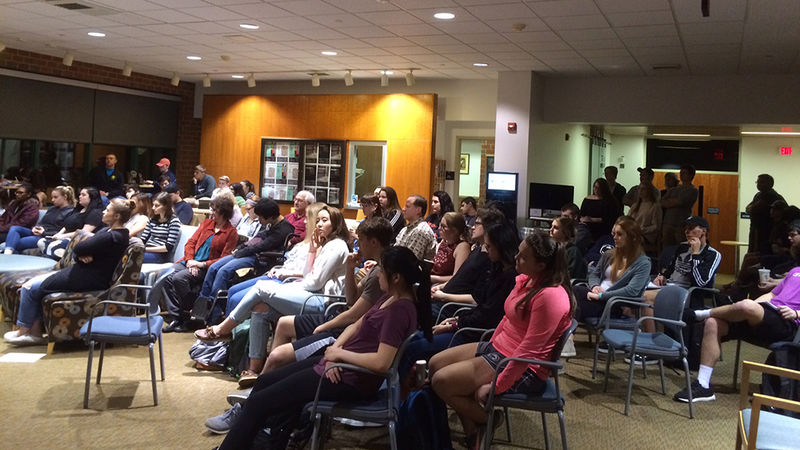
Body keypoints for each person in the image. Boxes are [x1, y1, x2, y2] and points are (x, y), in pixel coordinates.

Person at [205, 246, 432, 448]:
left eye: (382, 270)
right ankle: (263, 440)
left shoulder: (399, 311)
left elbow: (381, 363)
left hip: (352, 378)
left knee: (259, 402)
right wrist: (335, 353)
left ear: (396, 277)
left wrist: (339, 355)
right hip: (339, 365)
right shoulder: (389, 298)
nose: (377, 274)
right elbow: (356, 325)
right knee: (265, 382)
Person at [429, 233, 574, 448]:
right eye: (519, 252)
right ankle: (475, 429)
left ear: (541, 265)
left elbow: (528, 351)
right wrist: (487, 349)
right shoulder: (526, 280)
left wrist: (497, 385)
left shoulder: (551, 296)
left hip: (526, 368)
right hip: (501, 349)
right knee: (434, 364)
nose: (516, 257)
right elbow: (507, 319)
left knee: (441, 381)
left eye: (524, 257)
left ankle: (486, 420)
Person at [245, 217, 391, 382]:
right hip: (339, 316)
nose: (358, 245)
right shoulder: (374, 269)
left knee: (276, 356)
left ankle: (261, 388)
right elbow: (351, 298)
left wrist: (324, 326)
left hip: (342, 326)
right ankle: (267, 384)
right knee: (283, 323)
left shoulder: (380, 273)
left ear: (373, 243)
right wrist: (350, 269)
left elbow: (353, 316)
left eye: (361, 240)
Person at [194, 205, 350, 341]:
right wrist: (312, 250)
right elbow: (308, 274)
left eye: (325, 220)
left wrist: (287, 285)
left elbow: (314, 283)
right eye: (317, 220)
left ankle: (223, 329)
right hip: (308, 292)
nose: (318, 224)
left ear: (335, 224)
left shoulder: (337, 246)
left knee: (261, 287)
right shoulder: (325, 244)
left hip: (320, 301)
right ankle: (254, 368)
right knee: (259, 308)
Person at [4, 199, 133, 346]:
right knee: (31, 286)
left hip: (90, 278)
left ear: (116, 216)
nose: (103, 211)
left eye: (108, 210)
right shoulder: (108, 231)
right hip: (83, 272)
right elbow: (82, 251)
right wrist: (83, 254)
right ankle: (33, 333)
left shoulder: (113, 236)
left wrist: (82, 252)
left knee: (29, 288)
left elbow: (79, 248)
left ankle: (25, 331)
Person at [673, 267, 800, 403]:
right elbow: (772, 296)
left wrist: (797, 313)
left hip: (788, 322)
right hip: (765, 314)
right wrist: (750, 308)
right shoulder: (795, 271)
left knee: (746, 306)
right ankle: (703, 385)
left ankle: (700, 314)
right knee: (713, 323)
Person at [408, 222, 519, 374]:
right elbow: (479, 304)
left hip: (474, 334)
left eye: (489, 246)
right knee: (413, 339)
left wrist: (454, 325)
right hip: (465, 323)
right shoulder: (496, 270)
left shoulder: (511, 279)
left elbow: (487, 316)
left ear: (501, 247)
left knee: (414, 348)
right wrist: (456, 320)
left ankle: (404, 392)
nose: (485, 250)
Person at [186, 198, 295, 332]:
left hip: (260, 258)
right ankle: (202, 307)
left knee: (223, 272)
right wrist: (242, 247)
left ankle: (214, 315)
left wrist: (240, 251)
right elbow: (259, 237)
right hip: (249, 253)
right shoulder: (272, 223)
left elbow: (262, 246)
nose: (259, 220)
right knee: (213, 268)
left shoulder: (284, 229)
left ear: (270, 217)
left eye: (261, 217)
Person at [159, 195, 239, 332]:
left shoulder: (231, 233)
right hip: (190, 262)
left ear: (224, 212)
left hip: (207, 268)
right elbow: (191, 242)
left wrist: (201, 264)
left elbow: (225, 259)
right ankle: (176, 318)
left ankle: (188, 316)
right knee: (164, 275)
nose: (211, 212)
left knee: (179, 279)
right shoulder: (206, 223)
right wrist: (190, 260)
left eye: (214, 210)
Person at [642, 216, 721, 332]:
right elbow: (670, 270)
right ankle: (643, 338)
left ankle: (648, 341)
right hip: (667, 287)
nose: (687, 231)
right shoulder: (683, 247)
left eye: (691, 228)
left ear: (703, 231)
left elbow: (700, 283)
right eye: (686, 228)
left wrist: (696, 255)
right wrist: (662, 276)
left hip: (686, 293)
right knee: (634, 296)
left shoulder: (713, 255)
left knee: (643, 298)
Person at [573, 216, 651, 322]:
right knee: (572, 293)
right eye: (614, 234)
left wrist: (601, 296)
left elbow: (631, 291)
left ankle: (566, 335)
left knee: (573, 304)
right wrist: (595, 286)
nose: (614, 237)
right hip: (595, 296)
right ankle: (567, 336)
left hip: (613, 304)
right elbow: (595, 274)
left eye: (619, 234)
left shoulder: (643, 263)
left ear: (632, 237)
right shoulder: (609, 254)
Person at [4, 186, 75, 254]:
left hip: (47, 237)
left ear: (65, 197)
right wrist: (35, 228)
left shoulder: (71, 212)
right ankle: (7, 255)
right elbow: (41, 223)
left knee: (17, 242)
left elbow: (64, 232)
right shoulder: (52, 209)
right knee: (14, 228)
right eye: (52, 197)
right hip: (38, 233)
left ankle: (7, 257)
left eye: (55, 197)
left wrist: (44, 232)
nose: (52, 200)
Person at [42, 187, 104, 257]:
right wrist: (59, 234)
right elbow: (67, 225)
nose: (80, 196)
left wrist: (62, 236)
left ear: (92, 198)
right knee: (41, 242)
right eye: (80, 194)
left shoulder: (96, 213)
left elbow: (83, 232)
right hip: (65, 236)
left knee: (52, 246)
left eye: (83, 195)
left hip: (79, 240)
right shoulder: (78, 209)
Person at [661, 164, 699, 248]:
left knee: (680, 248)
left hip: (680, 225)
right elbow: (662, 202)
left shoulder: (692, 190)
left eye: (684, 173)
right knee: (666, 249)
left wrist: (671, 201)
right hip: (668, 223)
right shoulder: (674, 189)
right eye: (681, 173)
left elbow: (679, 202)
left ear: (691, 175)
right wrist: (672, 202)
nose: (681, 175)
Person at [746, 174, 784, 254]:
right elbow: (747, 209)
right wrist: (752, 208)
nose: (758, 184)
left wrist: (752, 208)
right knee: (752, 252)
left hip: (765, 231)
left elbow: (753, 209)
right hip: (755, 230)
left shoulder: (771, 195)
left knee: (758, 254)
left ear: (769, 184)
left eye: (761, 182)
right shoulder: (758, 195)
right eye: (757, 182)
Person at [139, 192, 182, 264]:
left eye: (157, 206)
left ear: (166, 206)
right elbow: (143, 239)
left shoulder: (174, 221)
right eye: (153, 205)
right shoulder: (152, 220)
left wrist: (145, 249)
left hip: (160, 255)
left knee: (134, 257)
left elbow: (167, 247)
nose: (153, 208)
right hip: (147, 249)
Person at [430, 212, 471, 285]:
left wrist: (432, 278)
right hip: (432, 279)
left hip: (443, 285)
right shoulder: (444, 242)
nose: (439, 229)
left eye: (443, 226)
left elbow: (456, 277)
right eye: (440, 225)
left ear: (455, 231)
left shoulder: (462, 247)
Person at [395, 195, 436, 262]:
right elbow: (394, 252)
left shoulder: (421, 230)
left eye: (407, 206)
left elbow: (409, 261)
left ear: (418, 210)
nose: (403, 209)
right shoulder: (405, 229)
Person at [580, 178, 619, 244]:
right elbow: (582, 213)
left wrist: (592, 219)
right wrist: (583, 219)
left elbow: (610, 217)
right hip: (588, 228)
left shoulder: (610, 201)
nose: (596, 190)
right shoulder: (587, 199)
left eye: (599, 188)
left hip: (603, 229)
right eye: (595, 187)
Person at [628, 182, 662, 255]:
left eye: (643, 189)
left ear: (649, 191)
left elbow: (656, 226)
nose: (640, 191)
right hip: (633, 232)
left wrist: (641, 230)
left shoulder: (654, 206)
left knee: (630, 240)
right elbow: (628, 219)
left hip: (646, 235)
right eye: (639, 189)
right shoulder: (635, 206)